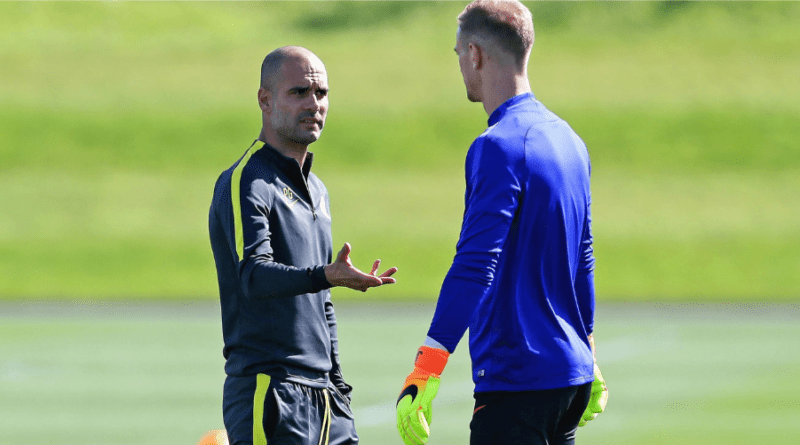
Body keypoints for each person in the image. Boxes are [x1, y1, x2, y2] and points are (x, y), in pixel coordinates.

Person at [395, 1, 608, 444]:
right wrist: (587, 352)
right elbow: (582, 258)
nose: (460, 65)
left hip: (517, 383)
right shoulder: (570, 140)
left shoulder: (498, 146)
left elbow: (476, 263)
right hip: (570, 380)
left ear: (474, 54)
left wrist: (427, 366)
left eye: (457, 55)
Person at [208, 46, 397, 445]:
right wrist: (326, 274)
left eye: (322, 94)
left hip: (326, 398)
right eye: (299, 93)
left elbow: (322, 301)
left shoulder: (317, 189)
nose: (314, 104)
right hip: (271, 388)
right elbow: (254, 275)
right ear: (265, 99)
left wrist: (339, 383)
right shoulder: (248, 180)